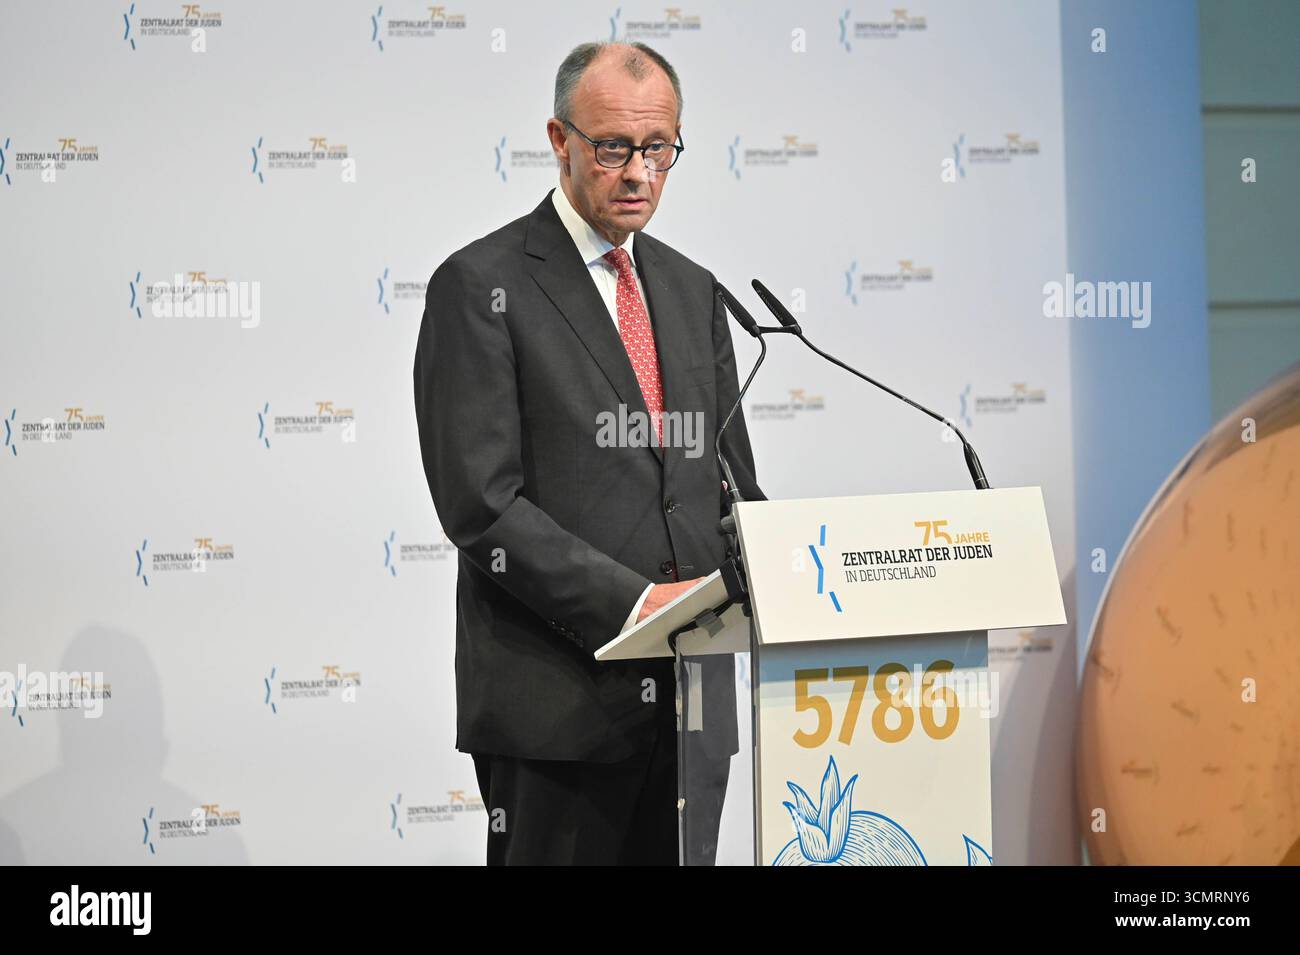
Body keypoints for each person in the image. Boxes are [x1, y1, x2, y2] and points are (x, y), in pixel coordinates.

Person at [413, 40, 763, 865]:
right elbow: (481, 505)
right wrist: (637, 606)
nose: (639, 172)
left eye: (660, 149)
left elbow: (730, 481)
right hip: (557, 708)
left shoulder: (691, 287)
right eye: (613, 148)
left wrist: (778, 567)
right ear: (560, 139)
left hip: (693, 705)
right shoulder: (481, 285)